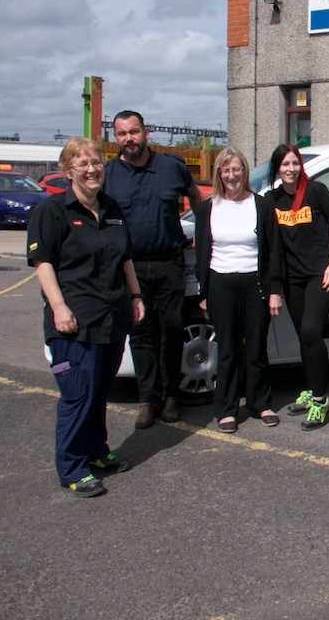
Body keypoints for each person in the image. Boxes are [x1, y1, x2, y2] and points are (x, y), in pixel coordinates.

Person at [28, 137, 146, 497]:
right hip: (73, 323)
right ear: (69, 172)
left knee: (97, 392)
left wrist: (136, 295)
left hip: (111, 317)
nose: (93, 169)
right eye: (83, 164)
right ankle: (72, 467)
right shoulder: (52, 211)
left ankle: (96, 451)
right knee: (77, 395)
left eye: (96, 162)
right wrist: (60, 308)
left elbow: (125, 257)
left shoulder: (111, 208)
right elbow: (43, 263)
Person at [102, 110, 202, 429]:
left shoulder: (172, 167)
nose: (129, 138)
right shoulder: (109, 174)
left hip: (169, 263)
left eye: (134, 131)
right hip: (130, 268)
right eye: (122, 134)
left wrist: (205, 232)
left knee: (172, 330)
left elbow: (197, 200)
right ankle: (148, 399)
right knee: (141, 333)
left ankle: (172, 396)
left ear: (146, 133)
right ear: (115, 138)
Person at [194, 148, 277, 433]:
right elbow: (202, 252)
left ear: (245, 171)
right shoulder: (208, 208)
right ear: (219, 174)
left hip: (255, 283)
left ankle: (260, 404)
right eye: (226, 170)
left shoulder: (262, 205)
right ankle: (226, 409)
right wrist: (203, 291)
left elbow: (273, 252)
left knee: (256, 348)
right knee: (227, 350)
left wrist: (274, 290)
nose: (232, 175)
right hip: (220, 284)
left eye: (237, 169)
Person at [264, 144, 329, 431]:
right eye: (285, 164)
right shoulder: (272, 200)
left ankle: (322, 399)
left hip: (321, 275)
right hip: (292, 279)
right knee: (304, 337)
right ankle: (312, 388)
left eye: (294, 163)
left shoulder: (317, 191)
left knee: (311, 330)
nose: (290, 169)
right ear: (277, 168)